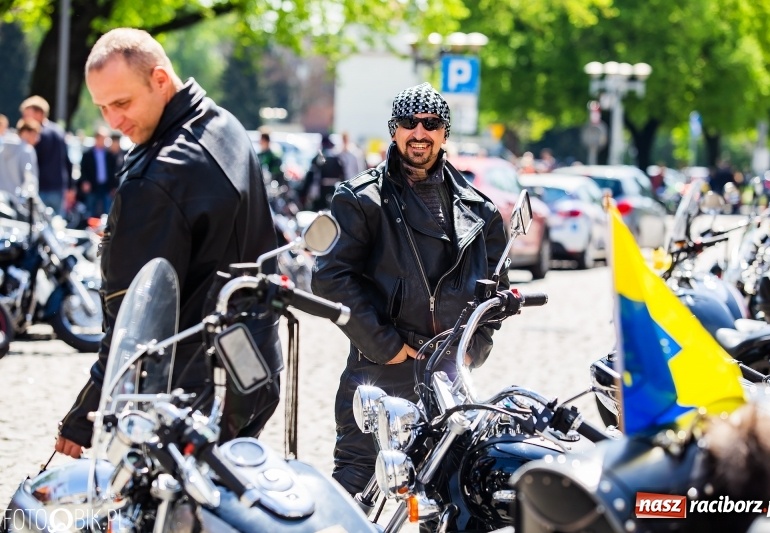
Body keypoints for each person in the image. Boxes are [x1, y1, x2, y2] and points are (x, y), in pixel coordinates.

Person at [55, 27, 282, 458]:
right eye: (102, 107)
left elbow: (132, 325)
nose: (113, 121)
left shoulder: (159, 176)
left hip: (187, 390)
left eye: (122, 103)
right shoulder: (224, 124)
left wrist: (83, 417)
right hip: (254, 364)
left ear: (160, 80)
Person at [311, 82, 509, 495]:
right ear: (394, 130)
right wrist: (386, 346)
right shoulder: (361, 198)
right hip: (379, 369)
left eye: (431, 124)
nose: (419, 133)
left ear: (444, 133)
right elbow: (329, 277)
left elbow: (496, 294)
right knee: (356, 486)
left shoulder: (481, 210)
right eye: (408, 122)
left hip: (448, 374)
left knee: (452, 492)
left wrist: (472, 349)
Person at [19, 95, 71, 215]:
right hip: (58, 187)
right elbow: (67, 161)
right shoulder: (59, 131)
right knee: (56, 223)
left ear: (39, 113)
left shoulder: (36, 134)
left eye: (27, 115)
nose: (25, 119)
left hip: (40, 188)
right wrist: (70, 187)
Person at [78, 127, 116, 216]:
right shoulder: (87, 154)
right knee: (90, 211)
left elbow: (113, 171)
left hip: (106, 187)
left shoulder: (109, 154)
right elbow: (83, 169)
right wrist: (85, 181)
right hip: (92, 186)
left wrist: (113, 186)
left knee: (107, 212)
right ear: (97, 139)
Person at [300, 134, 344, 211]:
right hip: (334, 189)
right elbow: (342, 174)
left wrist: (304, 192)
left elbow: (310, 175)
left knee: (319, 211)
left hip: (320, 190)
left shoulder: (319, 157)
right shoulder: (337, 157)